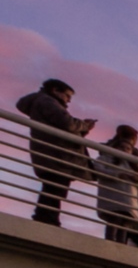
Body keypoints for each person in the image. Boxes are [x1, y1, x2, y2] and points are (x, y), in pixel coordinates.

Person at [17, 79, 96, 227]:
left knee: (54, 188)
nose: (69, 100)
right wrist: (83, 125)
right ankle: (47, 220)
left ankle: (47, 218)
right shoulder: (47, 101)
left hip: (52, 154)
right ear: (55, 90)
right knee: (54, 188)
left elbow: (62, 127)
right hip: (56, 156)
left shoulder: (44, 102)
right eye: (67, 95)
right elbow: (66, 123)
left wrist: (82, 129)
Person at [91, 124, 138, 244]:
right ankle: (110, 242)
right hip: (112, 196)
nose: (125, 151)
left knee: (124, 222)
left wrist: (137, 178)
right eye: (122, 148)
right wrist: (117, 175)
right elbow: (98, 169)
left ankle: (121, 244)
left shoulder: (133, 164)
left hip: (128, 199)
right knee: (114, 219)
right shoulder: (107, 158)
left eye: (128, 149)